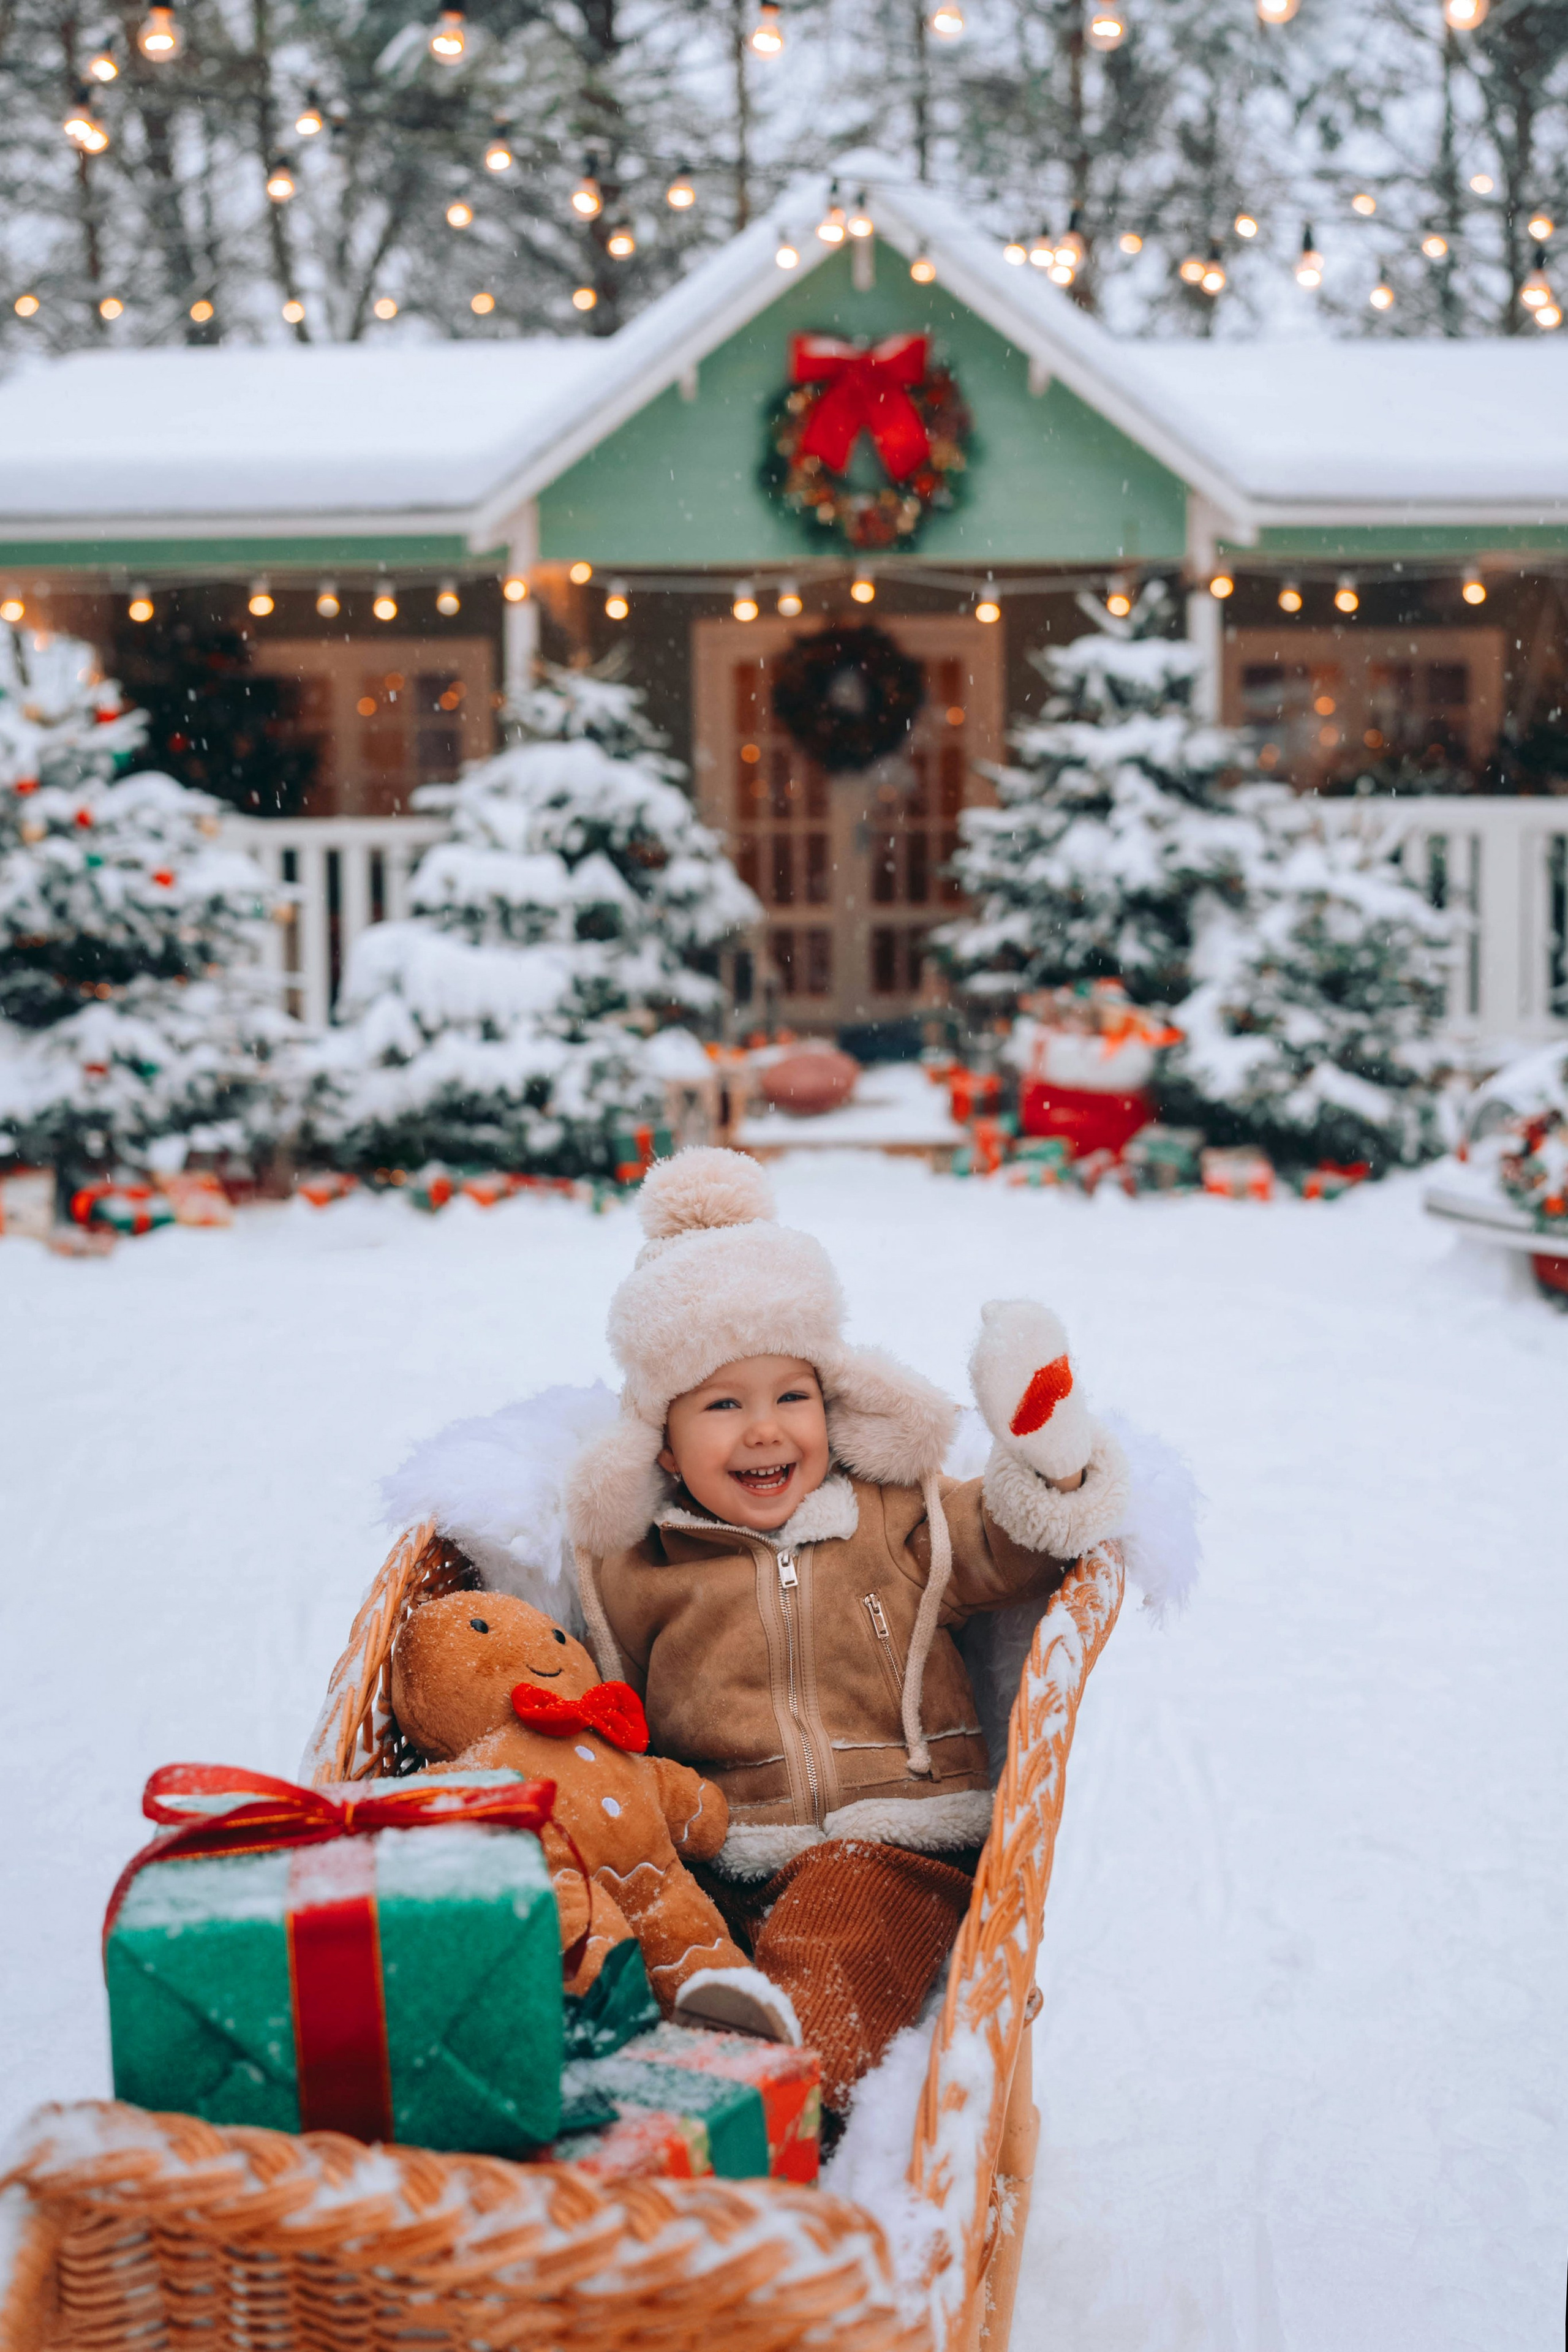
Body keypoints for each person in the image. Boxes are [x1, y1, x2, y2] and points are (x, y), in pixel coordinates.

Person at [564, 1146, 1130, 2113]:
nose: (766, 1430)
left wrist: (1050, 1465)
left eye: (792, 1395)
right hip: (722, 1856)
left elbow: (1012, 1547)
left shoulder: (893, 1519)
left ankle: (786, 2096)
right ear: (663, 1438)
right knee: (648, 1943)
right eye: (723, 1405)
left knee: (836, 1937)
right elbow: (587, 1704)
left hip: (894, 1842)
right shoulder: (642, 1567)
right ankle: (637, 2093)